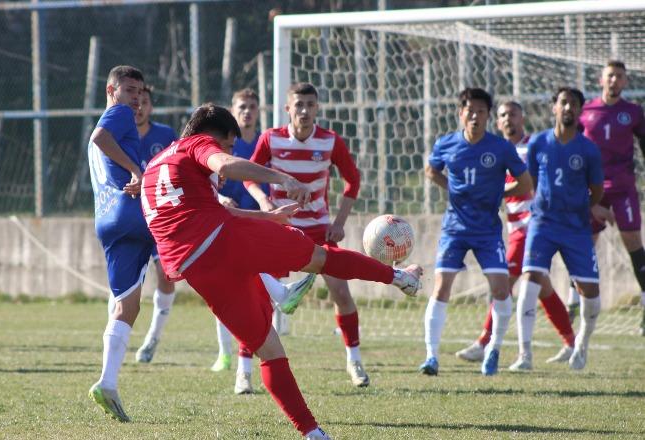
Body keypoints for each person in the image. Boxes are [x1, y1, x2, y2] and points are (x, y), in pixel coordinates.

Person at [141, 103, 422, 439]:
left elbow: (202, 213)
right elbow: (225, 166)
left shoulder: (156, 166)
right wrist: (283, 177)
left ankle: (312, 433)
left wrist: (268, 218)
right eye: (230, 144)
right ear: (217, 136)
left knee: (269, 350)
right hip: (224, 241)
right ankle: (400, 277)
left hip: (196, 268)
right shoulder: (198, 145)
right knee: (321, 258)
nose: (226, 151)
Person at [245, 82, 371, 388]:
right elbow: (249, 175)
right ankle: (244, 372)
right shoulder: (270, 139)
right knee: (257, 298)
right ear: (288, 108)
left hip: (318, 230)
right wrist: (264, 203)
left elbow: (353, 180)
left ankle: (354, 361)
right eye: (298, 105)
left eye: (310, 105)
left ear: (317, 108)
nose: (304, 111)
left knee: (341, 293)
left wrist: (339, 222)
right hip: (279, 230)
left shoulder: (329, 141)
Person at [454, 101, 576, 369]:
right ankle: (571, 342)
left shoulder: (536, 146)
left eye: (512, 114)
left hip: (534, 226)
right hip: (514, 226)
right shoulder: (496, 150)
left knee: (504, 281)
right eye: (502, 116)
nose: (508, 119)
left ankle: (484, 343)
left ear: (523, 117)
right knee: (542, 285)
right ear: (496, 123)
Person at [211, 88, 317, 397]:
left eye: (252, 107)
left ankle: (243, 374)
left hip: (253, 222)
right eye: (241, 107)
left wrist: (267, 202)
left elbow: (257, 176)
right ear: (232, 109)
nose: (247, 112)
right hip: (224, 223)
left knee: (253, 302)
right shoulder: (218, 142)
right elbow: (203, 179)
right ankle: (232, 358)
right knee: (239, 297)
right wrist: (219, 197)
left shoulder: (261, 142)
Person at [421, 88, 532, 376]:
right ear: (461, 113)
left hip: (487, 231)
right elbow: (431, 171)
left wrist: (501, 192)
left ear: (487, 116)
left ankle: (493, 349)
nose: (475, 116)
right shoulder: (446, 144)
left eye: (481, 111)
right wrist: (452, 189)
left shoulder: (500, 148)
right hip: (454, 228)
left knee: (500, 288)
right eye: (470, 110)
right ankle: (431, 357)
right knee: (441, 285)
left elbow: (525, 183)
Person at [521, 87, 613, 370]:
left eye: (574, 104)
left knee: (590, 291)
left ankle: (581, 346)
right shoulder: (538, 143)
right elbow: (531, 182)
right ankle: (524, 355)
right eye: (564, 103)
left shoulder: (588, 149)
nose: (568, 108)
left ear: (580, 111)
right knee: (531, 275)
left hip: (576, 227)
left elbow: (596, 190)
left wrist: (581, 206)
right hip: (543, 223)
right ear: (554, 108)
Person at [86, 65, 153, 423]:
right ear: (111, 90)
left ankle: (107, 383)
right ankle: (276, 292)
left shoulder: (114, 118)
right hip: (132, 213)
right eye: (129, 90)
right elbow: (101, 137)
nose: (136, 97)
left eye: (140, 91)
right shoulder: (119, 114)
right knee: (204, 234)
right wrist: (138, 171)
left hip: (108, 223)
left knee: (127, 307)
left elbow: (96, 141)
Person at [578, 60, 645, 336]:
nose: (614, 80)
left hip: (623, 187)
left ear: (626, 82)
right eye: (610, 76)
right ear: (600, 80)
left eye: (619, 76)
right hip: (592, 189)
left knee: (632, 241)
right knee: (584, 244)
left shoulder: (634, 113)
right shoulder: (585, 111)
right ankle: (577, 304)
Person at [131, 86, 179, 363]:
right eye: (135, 102)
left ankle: (153, 338)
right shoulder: (118, 135)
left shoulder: (165, 136)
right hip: (131, 218)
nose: (139, 107)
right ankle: (115, 334)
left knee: (166, 274)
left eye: (145, 102)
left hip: (161, 219)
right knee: (128, 281)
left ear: (151, 106)